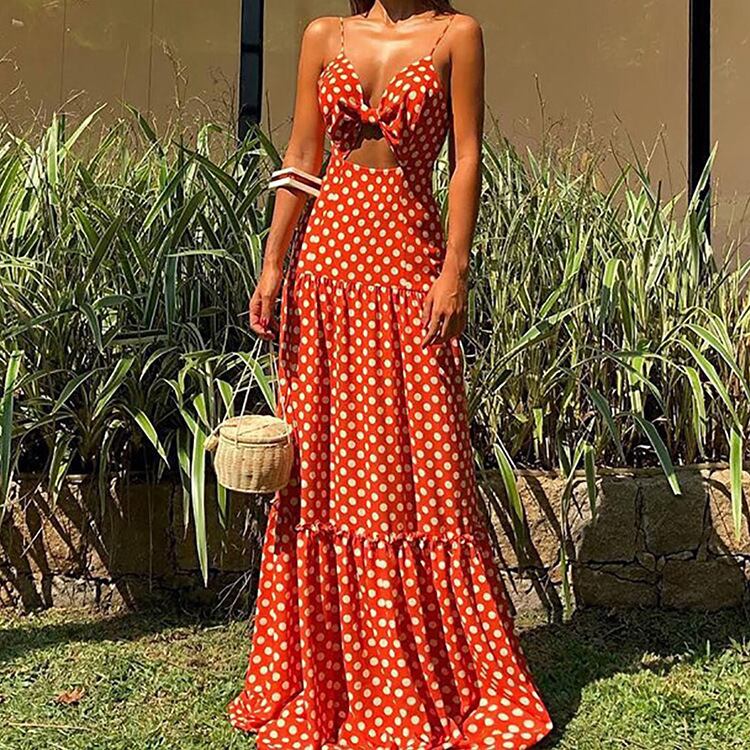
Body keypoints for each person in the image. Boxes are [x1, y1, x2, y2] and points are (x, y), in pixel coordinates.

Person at [228, 1, 554, 747]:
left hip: (411, 269)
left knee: (427, 471)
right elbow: (302, 154)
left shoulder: (457, 35)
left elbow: (467, 157)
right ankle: (331, 675)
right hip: (326, 274)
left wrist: (455, 270)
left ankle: (431, 672)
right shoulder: (323, 36)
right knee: (324, 474)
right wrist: (273, 265)